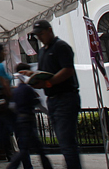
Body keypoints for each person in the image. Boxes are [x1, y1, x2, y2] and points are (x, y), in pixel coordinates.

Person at [28, 19, 82, 169]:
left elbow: (67, 70)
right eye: (36, 35)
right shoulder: (43, 51)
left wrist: (47, 83)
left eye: (41, 34)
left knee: (67, 141)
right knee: (63, 140)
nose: (39, 37)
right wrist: (31, 75)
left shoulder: (61, 47)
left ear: (50, 30)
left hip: (65, 97)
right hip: (53, 99)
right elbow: (44, 72)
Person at [7, 63, 53, 169]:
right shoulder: (28, 89)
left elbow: (11, 106)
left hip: (19, 120)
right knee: (35, 148)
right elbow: (39, 105)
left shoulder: (15, 90)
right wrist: (49, 114)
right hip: (28, 120)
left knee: (26, 148)